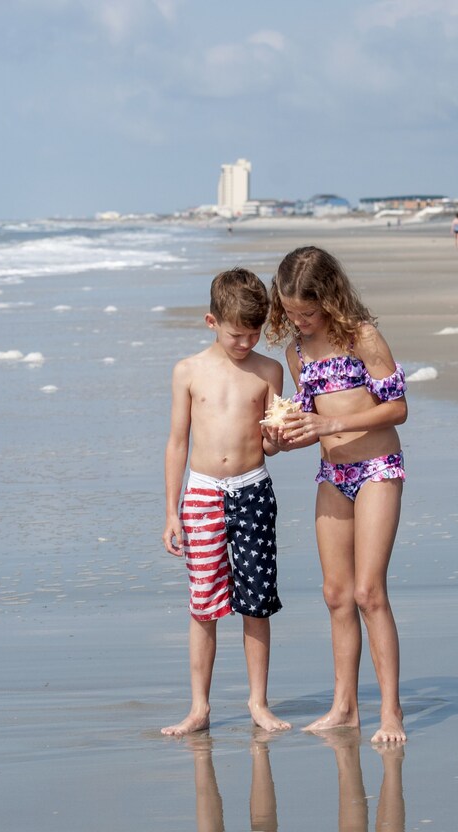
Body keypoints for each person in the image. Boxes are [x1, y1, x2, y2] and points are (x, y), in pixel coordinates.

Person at [263, 246, 408, 744]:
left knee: (369, 592)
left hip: (377, 469)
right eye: (289, 312)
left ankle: (390, 711)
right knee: (335, 595)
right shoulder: (296, 353)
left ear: (328, 298)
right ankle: (345, 705)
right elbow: (308, 423)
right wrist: (281, 439)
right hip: (333, 474)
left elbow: (398, 409)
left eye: (306, 311)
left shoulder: (361, 337)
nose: (298, 321)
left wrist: (335, 421)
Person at [162, 267, 292, 737]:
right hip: (200, 493)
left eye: (254, 333)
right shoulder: (188, 371)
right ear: (211, 321)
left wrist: (278, 436)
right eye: (237, 333)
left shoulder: (269, 371)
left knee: (256, 601)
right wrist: (170, 512)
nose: (246, 342)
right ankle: (199, 707)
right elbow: (177, 442)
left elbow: (273, 443)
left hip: (253, 487)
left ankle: (258, 701)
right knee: (204, 604)